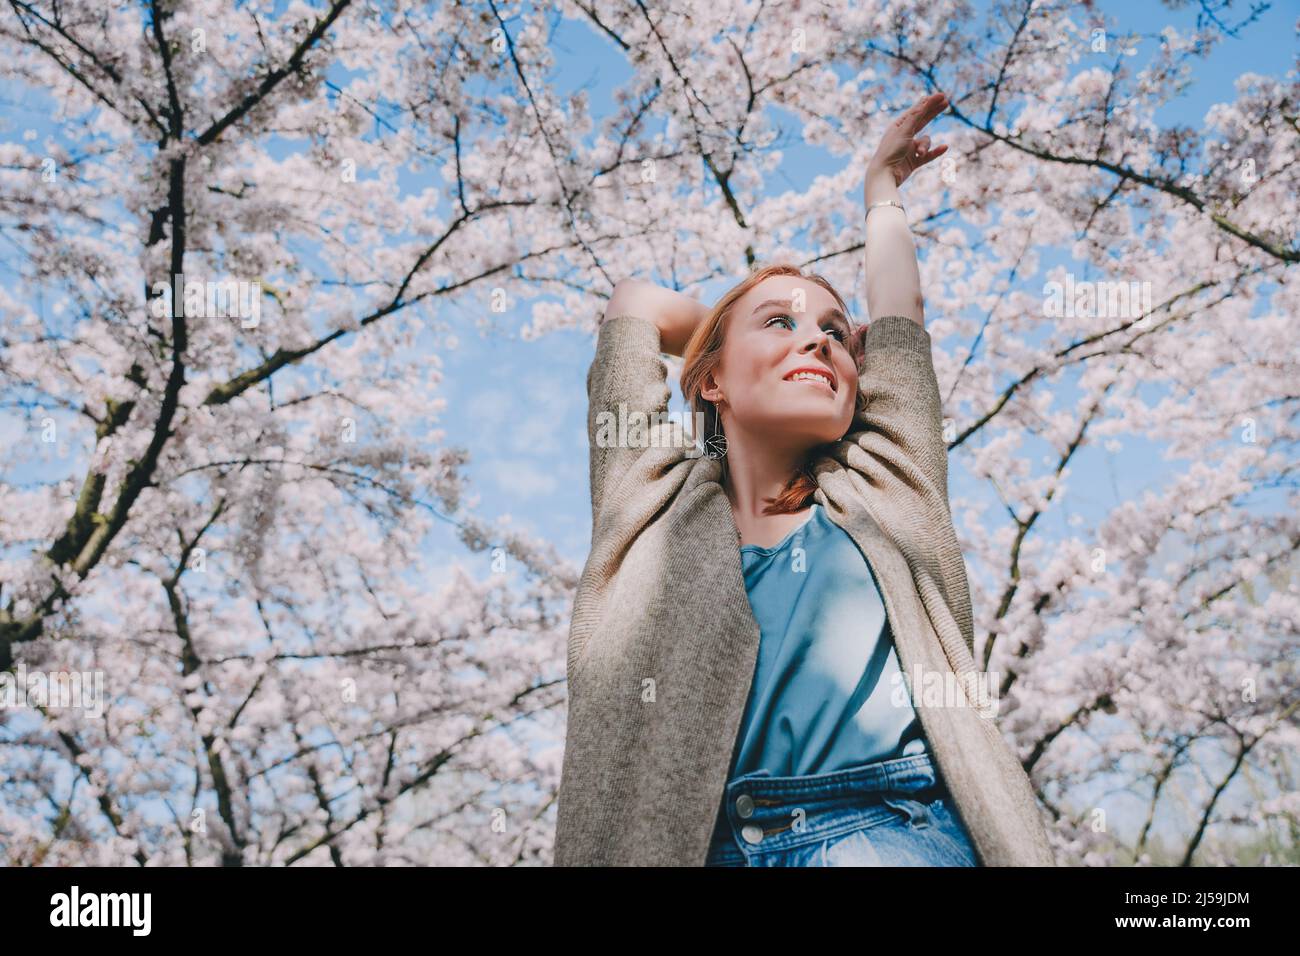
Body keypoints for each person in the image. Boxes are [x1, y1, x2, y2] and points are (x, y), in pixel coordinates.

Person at [554, 91, 1057, 867]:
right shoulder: (650, 502)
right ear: (711, 380)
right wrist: (728, 336)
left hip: (885, 830)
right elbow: (634, 305)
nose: (818, 344)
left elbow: (899, 313)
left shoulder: (886, 481)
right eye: (783, 325)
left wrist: (880, 195)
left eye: (833, 333)